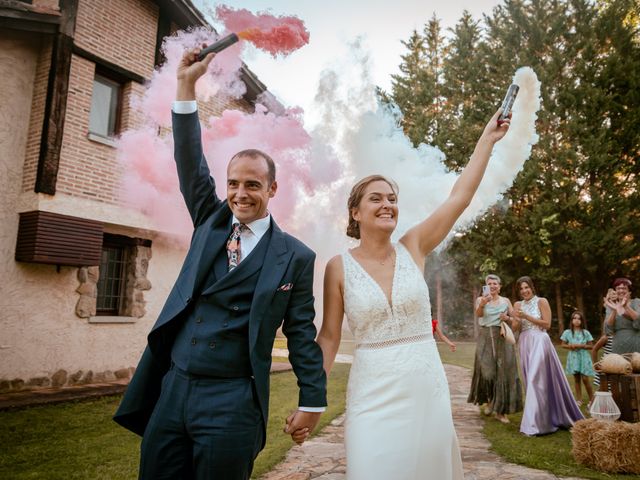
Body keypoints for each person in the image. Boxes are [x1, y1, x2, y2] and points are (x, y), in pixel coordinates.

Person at [114, 47, 327, 480]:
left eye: (252, 185)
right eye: (233, 184)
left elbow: (302, 333)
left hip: (233, 400)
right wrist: (186, 85)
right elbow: (189, 160)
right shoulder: (210, 221)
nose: (240, 194)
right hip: (173, 388)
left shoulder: (297, 258)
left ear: (272, 189)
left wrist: (312, 401)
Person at [316, 106, 511, 479]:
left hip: (426, 394)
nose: (387, 203)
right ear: (355, 213)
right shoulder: (338, 268)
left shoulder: (414, 246)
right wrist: (313, 399)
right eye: (376, 198)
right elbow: (328, 337)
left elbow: (460, 198)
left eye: (391, 197)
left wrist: (487, 139)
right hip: (371, 397)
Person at [513, 276, 584, 436]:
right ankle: (541, 418)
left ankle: (535, 425)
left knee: (535, 379)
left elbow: (547, 324)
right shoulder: (517, 304)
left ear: (532, 287)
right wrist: (512, 319)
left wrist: (527, 317)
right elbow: (516, 327)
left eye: (526, 287)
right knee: (529, 381)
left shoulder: (541, 301)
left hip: (540, 340)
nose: (524, 291)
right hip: (525, 342)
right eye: (521, 289)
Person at [468, 274, 522, 424]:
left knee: (503, 373)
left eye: (495, 284)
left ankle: (501, 412)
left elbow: (515, 319)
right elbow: (478, 314)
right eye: (489, 283)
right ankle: (490, 401)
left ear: (500, 286)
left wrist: (508, 319)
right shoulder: (480, 299)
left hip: (501, 336)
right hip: (485, 336)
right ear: (486, 286)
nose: (492, 286)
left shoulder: (505, 301)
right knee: (487, 371)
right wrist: (483, 303)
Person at [560, 311, 595, 405]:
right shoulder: (567, 332)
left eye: (579, 319)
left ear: (582, 321)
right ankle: (579, 399)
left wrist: (581, 346)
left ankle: (592, 399)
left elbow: (591, 346)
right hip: (573, 357)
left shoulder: (585, 333)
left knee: (585, 379)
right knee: (576, 378)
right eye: (574, 318)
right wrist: (570, 346)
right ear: (571, 321)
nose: (576, 320)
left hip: (583, 357)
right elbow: (562, 344)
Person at [604, 277, 640, 354]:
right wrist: (614, 310)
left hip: (635, 343)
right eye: (618, 288)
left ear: (629, 291)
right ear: (615, 290)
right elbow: (608, 328)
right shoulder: (611, 305)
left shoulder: (636, 302)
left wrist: (626, 306)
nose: (621, 290)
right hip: (618, 345)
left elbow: (638, 320)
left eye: (624, 288)